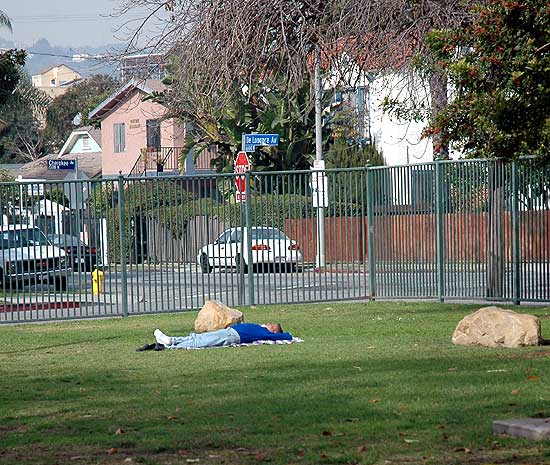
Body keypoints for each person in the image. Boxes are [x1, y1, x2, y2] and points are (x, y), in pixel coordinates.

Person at [150, 322, 293, 350]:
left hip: (232, 337)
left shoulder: (266, 334)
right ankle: (172, 340)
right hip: (229, 331)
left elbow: (284, 337)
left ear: (274, 331)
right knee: (200, 337)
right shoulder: (259, 326)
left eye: (272, 325)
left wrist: (287, 335)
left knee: (202, 342)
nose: (269, 323)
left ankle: (167, 345)